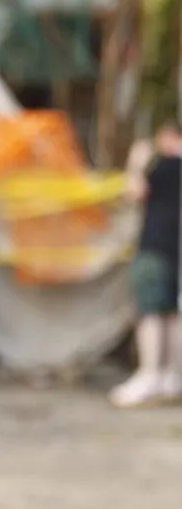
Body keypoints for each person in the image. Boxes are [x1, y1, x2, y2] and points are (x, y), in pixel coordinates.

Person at [112, 125, 182, 408]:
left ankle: (149, 375)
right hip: (176, 252)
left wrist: (136, 163)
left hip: (154, 248)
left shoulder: (165, 165)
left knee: (150, 312)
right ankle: (170, 377)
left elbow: (134, 192)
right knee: (174, 313)